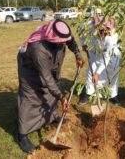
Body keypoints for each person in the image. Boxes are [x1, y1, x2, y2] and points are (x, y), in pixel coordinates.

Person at [17, 19, 84, 153]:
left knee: (52, 89)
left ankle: (52, 117)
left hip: (49, 66)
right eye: (62, 42)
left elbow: (70, 41)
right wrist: (61, 97)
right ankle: (22, 135)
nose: (65, 43)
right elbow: (47, 78)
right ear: (53, 39)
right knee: (30, 96)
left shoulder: (60, 35)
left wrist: (78, 54)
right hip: (30, 69)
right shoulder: (38, 48)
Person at [78, 19, 121, 105]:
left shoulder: (111, 39)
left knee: (111, 74)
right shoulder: (88, 26)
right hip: (95, 50)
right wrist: (83, 43)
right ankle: (88, 93)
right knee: (91, 72)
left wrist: (97, 74)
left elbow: (106, 58)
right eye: (99, 31)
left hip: (111, 56)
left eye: (104, 32)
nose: (101, 35)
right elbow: (80, 29)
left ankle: (112, 95)